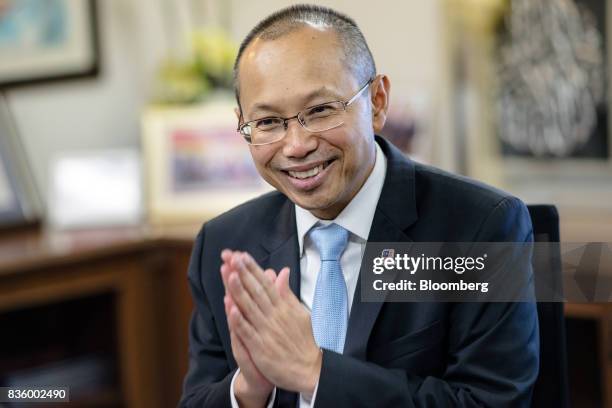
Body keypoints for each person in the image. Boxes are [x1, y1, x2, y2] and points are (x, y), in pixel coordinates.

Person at [180, 4, 539, 408]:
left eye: (319, 111)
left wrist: (315, 374)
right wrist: (249, 389)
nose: (296, 146)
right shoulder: (225, 242)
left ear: (378, 101)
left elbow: (490, 402)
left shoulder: (479, 228)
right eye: (267, 122)